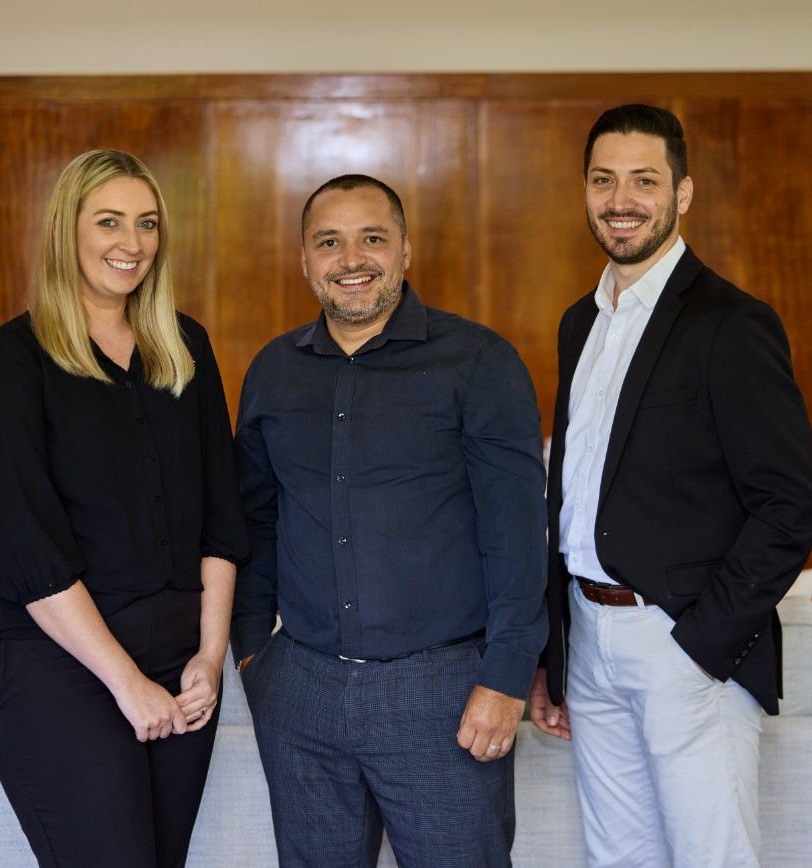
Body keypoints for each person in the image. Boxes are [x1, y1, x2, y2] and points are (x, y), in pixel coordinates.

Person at [528, 105, 812, 867]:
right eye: (603, 179)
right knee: (616, 857)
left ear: (683, 193)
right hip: (588, 642)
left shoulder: (731, 323)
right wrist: (553, 655)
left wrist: (700, 643)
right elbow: (574, 491)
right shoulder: (578, 324)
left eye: (643, 180)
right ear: (584, 191)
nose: (620, 199)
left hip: (684, 641)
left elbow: (790, 504)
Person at [232, 174, 548, 867]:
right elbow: (252, 522)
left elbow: (519, 534)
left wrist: (505, 677)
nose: (352, 259)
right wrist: (256, 657)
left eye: (372, 237)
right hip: (302, 687)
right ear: (305, 259)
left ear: (405, 249)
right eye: (330, 242)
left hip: (441, 690)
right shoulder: (273, 372)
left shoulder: (477, 362)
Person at [0, 148, 247, 867]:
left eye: (147, 223)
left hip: (181, 660)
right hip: (62, 662)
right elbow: (25, 552)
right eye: (110, 221)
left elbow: (222, 515)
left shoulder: (186, 347)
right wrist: (125, 681)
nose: (133, 243)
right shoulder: (13, 360)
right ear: (66, 231)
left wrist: (210, 658)